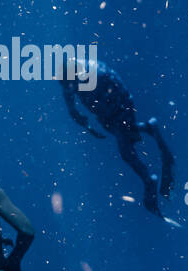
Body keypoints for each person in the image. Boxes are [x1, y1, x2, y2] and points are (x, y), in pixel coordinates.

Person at [60, 56, 174, 215]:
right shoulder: (73, 77)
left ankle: (149, 181)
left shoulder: (94, 75)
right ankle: (149, 128)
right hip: (109, 109)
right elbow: (72, 104)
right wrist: (87, 124)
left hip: (117, 105)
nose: (70, 90)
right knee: (124, 138)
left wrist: (100, 121)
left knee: (126, 151)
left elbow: (114, 91)